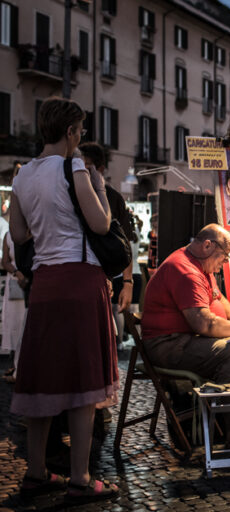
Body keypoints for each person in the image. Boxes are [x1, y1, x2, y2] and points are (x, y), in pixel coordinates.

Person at [9, 97, 119, 502]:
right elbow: (100, 223)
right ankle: (80, 478)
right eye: (81, 131)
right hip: (79, 279)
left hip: (45, 283)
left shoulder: (22, 175)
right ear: (71, 132)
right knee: (84, 383)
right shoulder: (73, 166)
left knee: (42, 380)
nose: (81, 138)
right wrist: (101, 190)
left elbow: (19, 234)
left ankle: (37, 473)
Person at [140, 224, 230, 444]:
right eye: (223, 258)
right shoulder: (184, 270)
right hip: (168, 344)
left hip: (188, 340)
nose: (222, 266)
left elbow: (217, 298)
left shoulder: (201, 265)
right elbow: (204, 324)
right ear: (208, 245)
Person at [79, 142, 136, 351]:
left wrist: (128, 283)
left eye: (86, 166)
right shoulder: (72, 190)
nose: (80, 171)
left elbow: (125, 242)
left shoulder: (113, 198)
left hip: (105, 278)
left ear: (100, 169)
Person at [1, 230, 27, 383]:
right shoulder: (8, 235)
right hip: (15, 285)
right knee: (16, 326)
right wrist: (18, 274)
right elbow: (5, 261)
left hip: (28, 282)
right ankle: (17, 367)